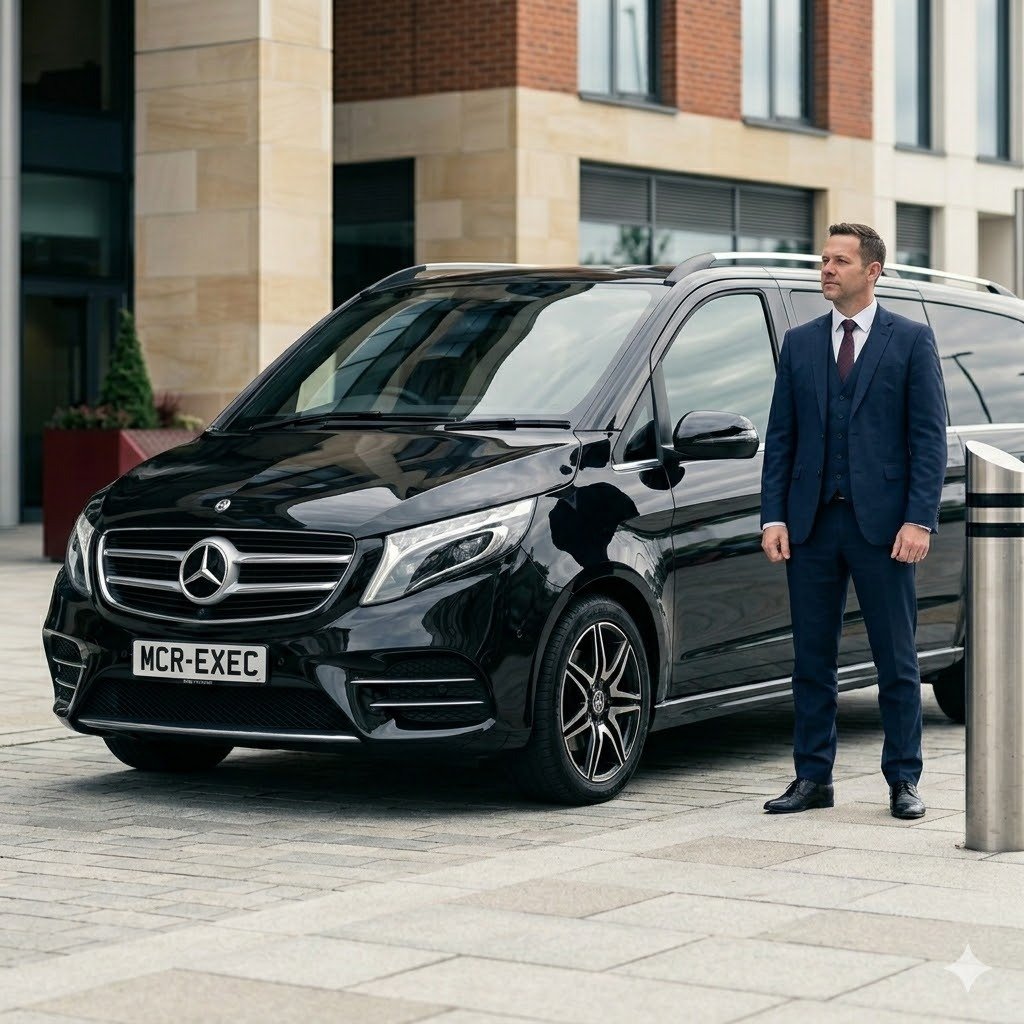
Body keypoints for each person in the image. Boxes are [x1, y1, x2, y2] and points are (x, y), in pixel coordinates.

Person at [760, 222, 947, 819]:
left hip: (885, 528)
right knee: (812, 660)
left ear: (873, 271)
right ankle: (813, 778)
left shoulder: (911, 340)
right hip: (811, 524)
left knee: (896, 660)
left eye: (840, 261)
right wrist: (773, 518)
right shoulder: (801, 342)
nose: (827, 270)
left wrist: (919, 520)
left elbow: (928, 439)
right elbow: (781, 438)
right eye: (823, 260)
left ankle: (903, 781)